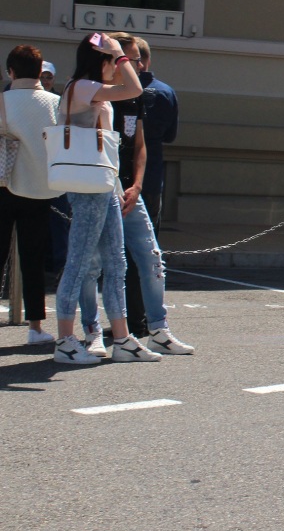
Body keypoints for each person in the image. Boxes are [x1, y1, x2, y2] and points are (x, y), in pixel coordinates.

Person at [79, 33, 194, 357]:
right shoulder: (90, 92)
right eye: (123, 59)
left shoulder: (134, 99)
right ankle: (91, 332)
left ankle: (158, 328)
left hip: (130, 190)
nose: (132, 65)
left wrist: (137, 185)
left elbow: (140, 146)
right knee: (92, 265)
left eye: (131, 59)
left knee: (152, 258)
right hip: (97, 190)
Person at [52, 33, 161, 364]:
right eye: (113, 62)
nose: (119, 67)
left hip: (105, 183)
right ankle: (66, 341)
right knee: (80, 262)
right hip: (88, 187)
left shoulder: (92, 90)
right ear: (102, 61)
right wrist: (120, 54)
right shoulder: (82, 86)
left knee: (116, 262)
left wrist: (115, 55)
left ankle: (122, 338)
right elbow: (135, 88)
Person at [0, 45, 62, 344]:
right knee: (33, 258)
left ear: (10, 71)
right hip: (39, 187)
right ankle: (35, 327)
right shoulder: (55, 103)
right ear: (40, 71)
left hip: (3, 183)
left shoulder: (3, 101)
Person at [135, 37, 178, 228]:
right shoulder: (166, 92)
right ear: (148, 60)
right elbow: (170, 136)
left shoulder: (114, 91)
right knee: (149, 239)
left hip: (119, 176)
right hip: (151, 174)